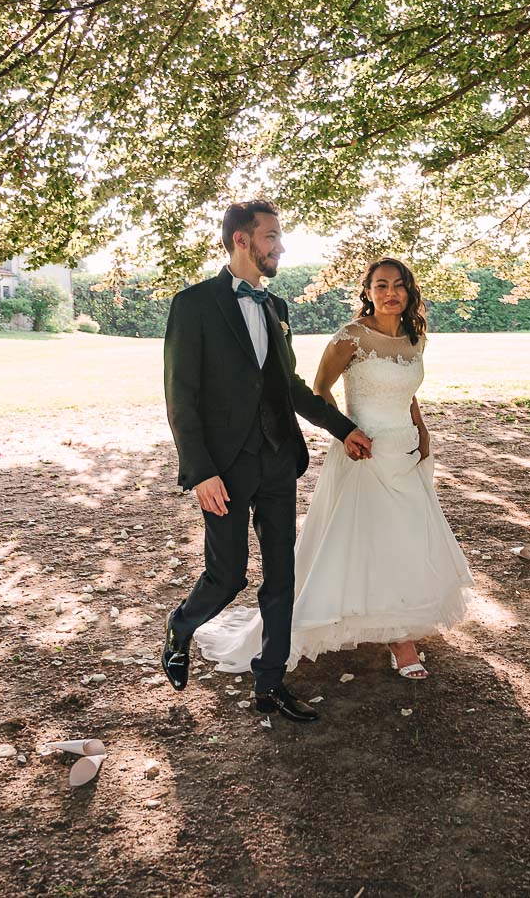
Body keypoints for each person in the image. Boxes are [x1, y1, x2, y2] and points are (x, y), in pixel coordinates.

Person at [194, 257, 474, 681]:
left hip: (406, 450)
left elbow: (408, 392)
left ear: (410, 291)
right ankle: (398, 638)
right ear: (367, 291)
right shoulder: (351, 338)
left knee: (407, 537)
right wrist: (346, 433)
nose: (390, 293)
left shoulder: (416, 337)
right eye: (381, 285)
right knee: (368, 538)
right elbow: (319, 390)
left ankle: (397, 621)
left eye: (399, 285)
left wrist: (422, 429)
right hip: (365, 451)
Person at [160, 200, 374, 723]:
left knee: (282, 577)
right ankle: (182, 625)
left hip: (278, 460)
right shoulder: (193, 305)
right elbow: (180, 396)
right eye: (271, 237)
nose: (279, 246)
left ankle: (270, 683)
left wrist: (344, 429)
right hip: (224, 471)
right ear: (241, 240)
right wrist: (200, 471)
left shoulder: (276, 308)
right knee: (228, 575)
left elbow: (288, 387)